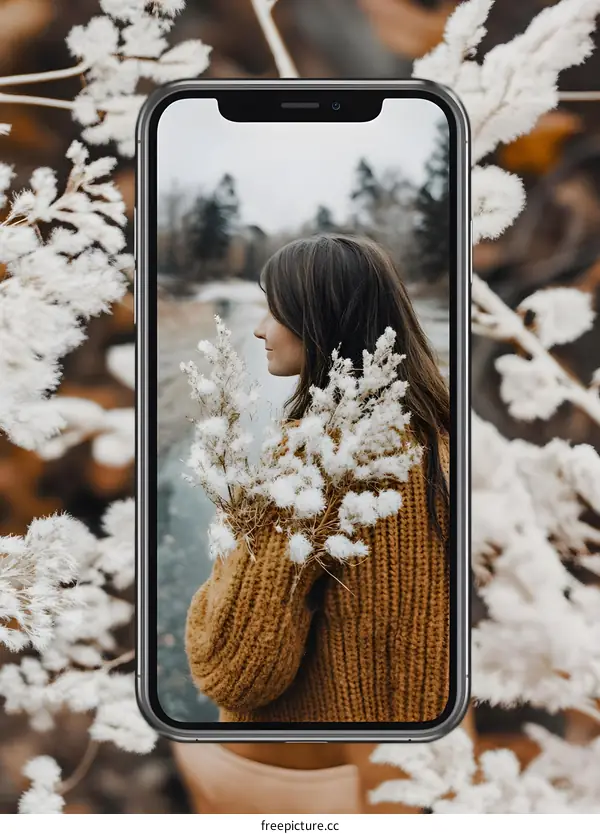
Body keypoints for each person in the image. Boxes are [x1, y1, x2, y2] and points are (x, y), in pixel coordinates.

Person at [179, 234, 451, 811]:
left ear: (320, 319)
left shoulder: (322, 459)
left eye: (274, 310)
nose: (258, 330)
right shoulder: (443, 444)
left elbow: (234, 668)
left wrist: (218, 579)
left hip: (312, 782)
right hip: (418, 783)